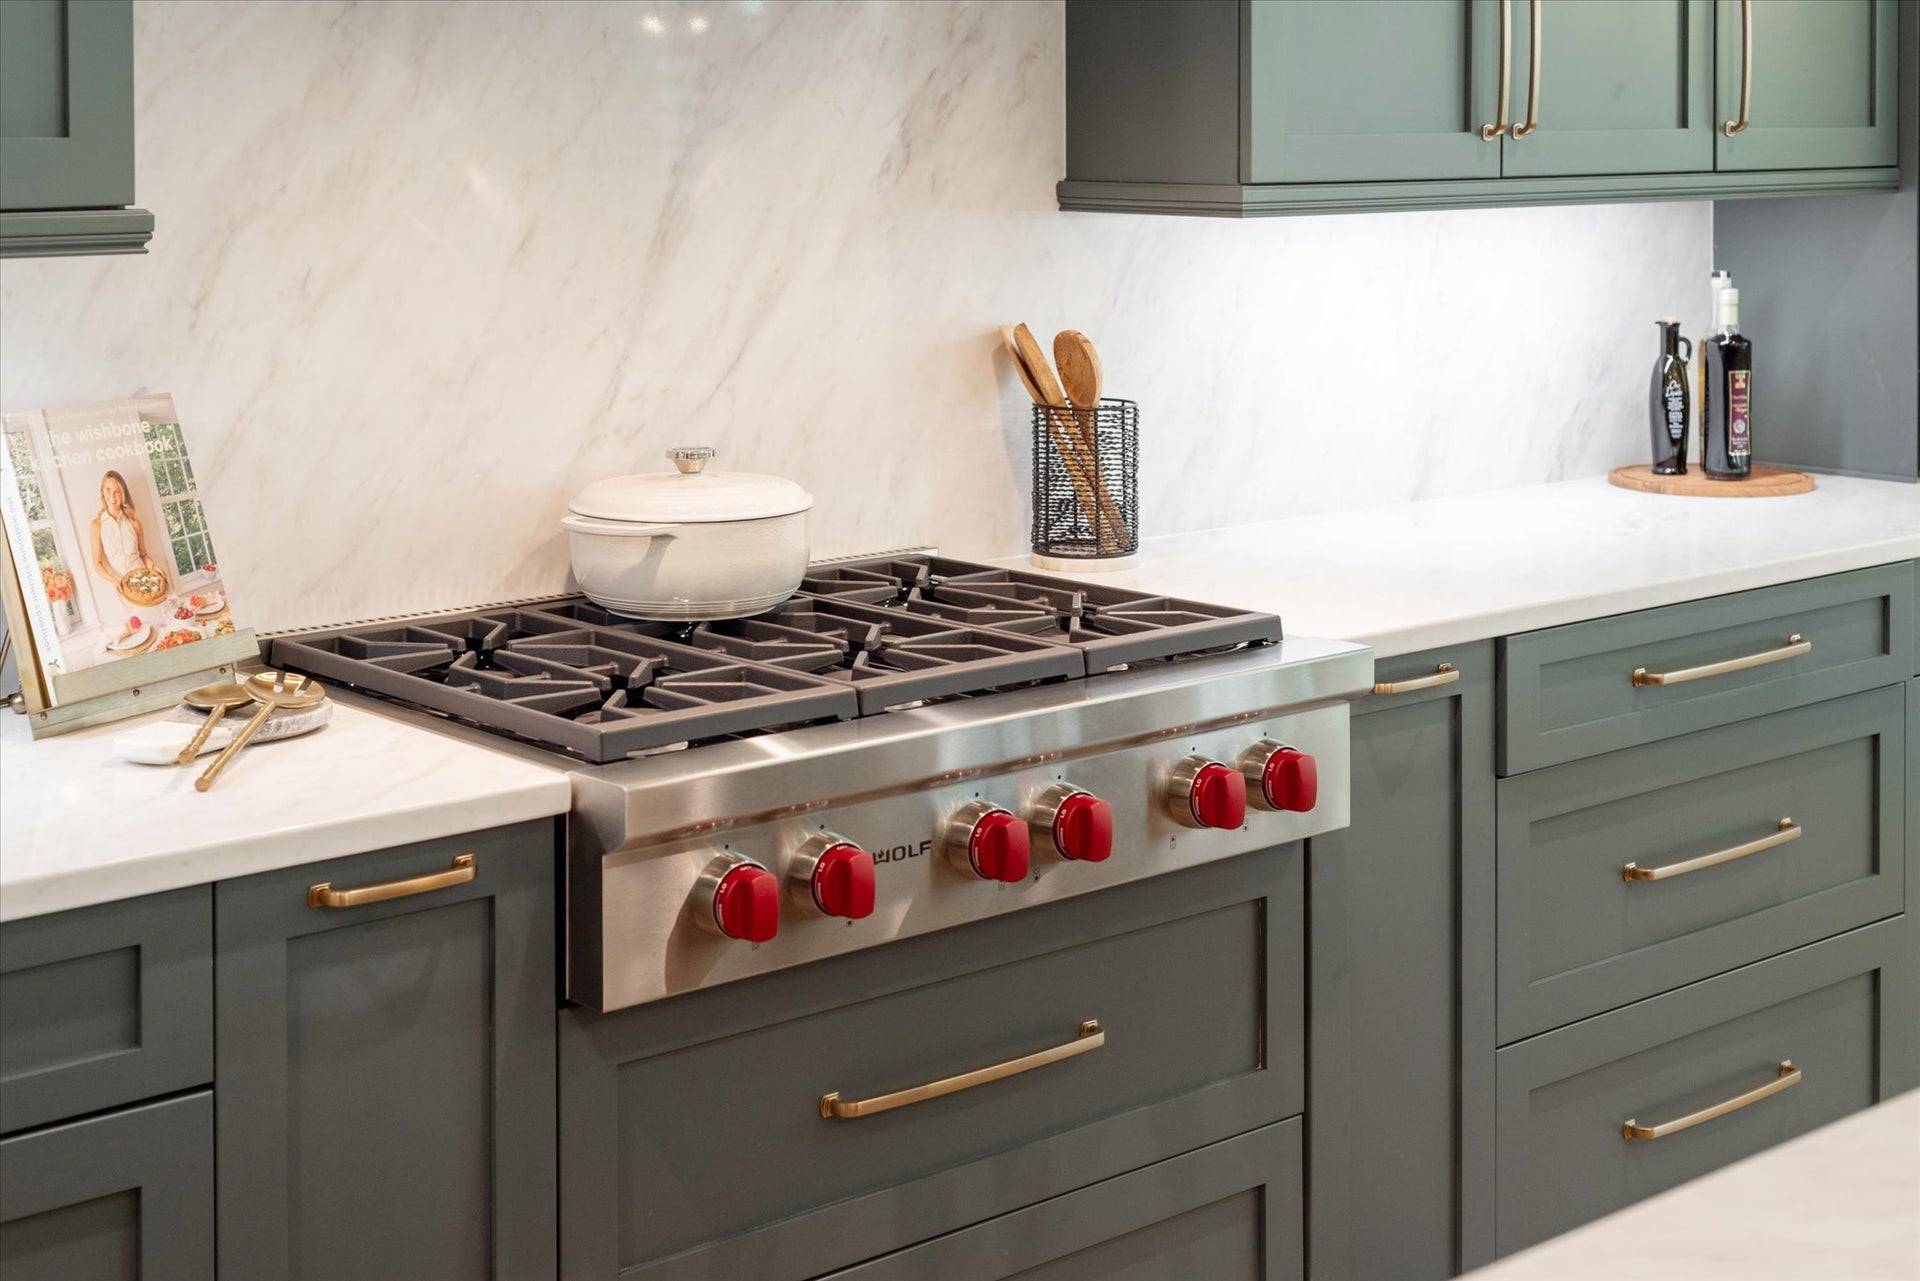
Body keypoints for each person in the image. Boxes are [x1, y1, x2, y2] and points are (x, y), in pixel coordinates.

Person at [89, 469, 167, 596]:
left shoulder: (134, 522)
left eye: (117, 492)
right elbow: (97, 563)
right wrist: (114, 581)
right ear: (102, 491)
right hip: (122, 588)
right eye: (108, 489)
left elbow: (144, 554)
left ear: (123, 494)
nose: (112, 497)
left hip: (144, 583)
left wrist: (154, 567)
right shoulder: (96, 525)